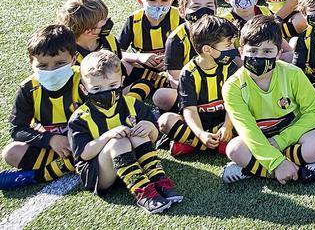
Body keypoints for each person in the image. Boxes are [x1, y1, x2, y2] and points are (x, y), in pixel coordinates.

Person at [220, 16, 315, 185]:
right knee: (235, 149)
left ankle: (252, 169)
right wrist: (277, 163)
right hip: (260, 137)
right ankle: (304, 171)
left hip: (293, 134)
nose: (259, 57)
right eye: (252, 51)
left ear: (279, 53)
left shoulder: (293, 74)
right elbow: (248, 130)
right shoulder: (232, 86)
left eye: (267, 52)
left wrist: (280, 141)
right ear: (241, 52)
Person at [68, 51, 180, 213]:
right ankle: (143, 194)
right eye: (97, 88)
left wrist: (149, 127)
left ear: (121, 81)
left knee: (138, 132)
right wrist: (108, 136)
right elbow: (84, 155)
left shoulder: (132, 103)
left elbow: (153, 139)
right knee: (118, 142)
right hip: (100, 175)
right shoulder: (80, 118)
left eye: (113, 86)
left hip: (134, 163)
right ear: (84, 89)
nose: (106, 92)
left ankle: (158, 179)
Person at [0, 26, 81, 190]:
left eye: (60, 63)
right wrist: (50, 140)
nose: (51, 71)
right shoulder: (28, 88)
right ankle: (72, 165)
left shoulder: (85, 79)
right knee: (11, 152)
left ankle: (36, 176)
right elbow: (18, 129)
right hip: (56, 147)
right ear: (31, 62)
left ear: (74, 58)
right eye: (43, 66)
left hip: (85, 142)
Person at [159, 15, 239, 156]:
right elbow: (189, 110)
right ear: (207, 49)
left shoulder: (230, 67)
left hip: (224, 124)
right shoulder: (189, 73)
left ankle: (192, 144)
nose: (233, 48)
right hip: (199, 124)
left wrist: (227, 126)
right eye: (228, 45)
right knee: (165, 121)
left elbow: (235, 103)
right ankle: (215, 145)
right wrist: (201, 133)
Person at [117, 0, 180, 108]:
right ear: (141, 0)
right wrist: (139, 57)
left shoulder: (179, 17)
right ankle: (157, 83)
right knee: (121, 64)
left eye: (164, 1)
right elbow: (116, 52)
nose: (158, 6)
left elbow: (191, 48)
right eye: (152, 0)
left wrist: (171, 60)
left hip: (172, 68)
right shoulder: (133, 20)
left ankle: (147, 85)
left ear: (172, 1)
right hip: (142, 67)